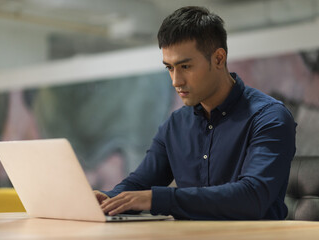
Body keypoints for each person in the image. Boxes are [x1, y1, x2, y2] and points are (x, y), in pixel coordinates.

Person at [94, 6, 296, 220]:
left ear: (219, 59)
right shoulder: (175, 125)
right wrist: (107, 198)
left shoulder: (269, 117)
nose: (176, 81)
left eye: (185, 67)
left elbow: (252, 197)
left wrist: (159, 198)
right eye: (169, 68)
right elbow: (139, 184)